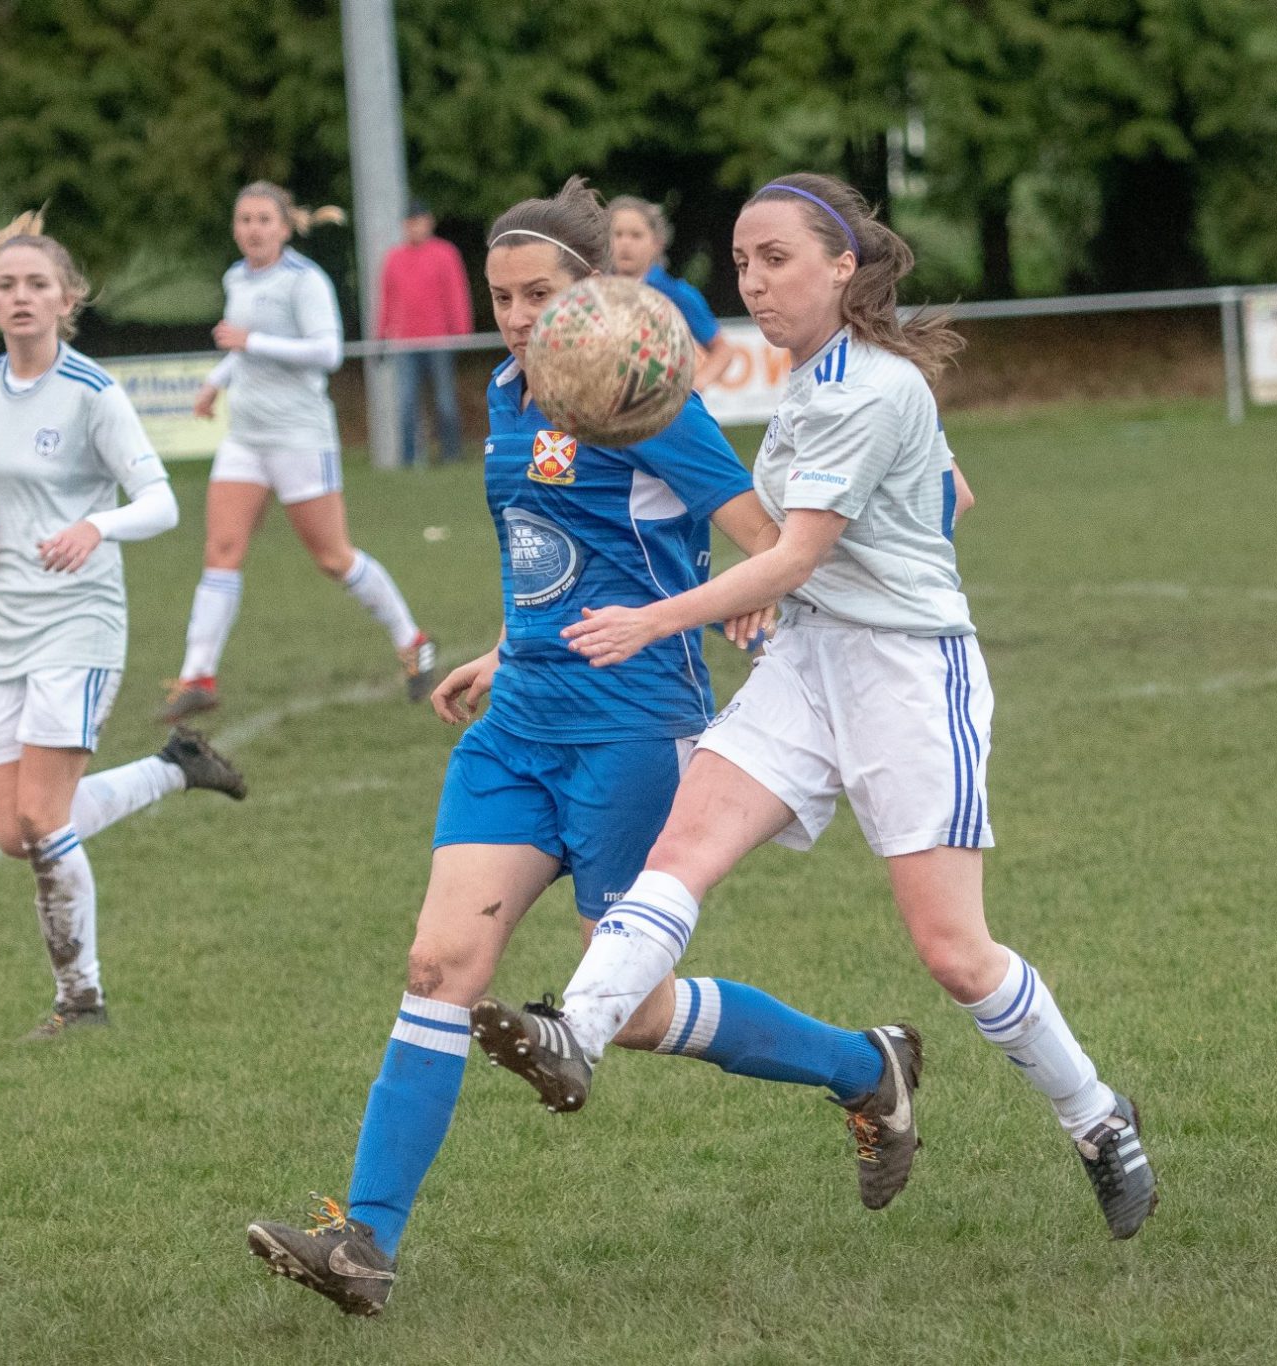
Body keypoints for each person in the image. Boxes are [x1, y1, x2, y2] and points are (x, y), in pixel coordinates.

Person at [244, 178, 922, 1319]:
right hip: (517, 733)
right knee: (437, 971)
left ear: (594, 294)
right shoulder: (513, 392)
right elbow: (556, 552)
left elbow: (763, 544)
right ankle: (363, 1244)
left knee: (631, 1007)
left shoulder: (648, 398)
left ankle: (862, 1066)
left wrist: (735, 613)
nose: (514, 317)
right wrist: (504, 648)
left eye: (537, 295)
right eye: (500, 296)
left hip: (630, 731)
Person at [474, 172, 1159, 1244]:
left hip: (904, 678)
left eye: (776, 258)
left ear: (843, 265)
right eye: (742, 261)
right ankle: (576, 1028)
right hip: (808, 663)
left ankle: (1093, 1115)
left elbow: (790, 550)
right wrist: (844, 551)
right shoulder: (815, 379)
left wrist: (661, 619)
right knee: (681, 851)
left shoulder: (862, 386)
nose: (754, 280)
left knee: (953, 952)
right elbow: (946, 497)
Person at [0, 211, 248, 1040]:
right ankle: (175, 768)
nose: (21, 296)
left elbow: (160, 502)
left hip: (78, 622)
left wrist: (94, 527)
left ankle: (82, 999)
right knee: (16, 833)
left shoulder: (92, 393)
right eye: (7, 284)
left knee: (44, 823)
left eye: (38, 284)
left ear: (68, 298)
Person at [162, 182, 437, 722]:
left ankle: (413, 640)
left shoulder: (305, 281)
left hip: (299, 437)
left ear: (285, 228)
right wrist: (216, 380)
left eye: (264, 219)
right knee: (221, 550)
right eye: (244, 219)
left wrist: (250, 343)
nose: (252, 229)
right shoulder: (236, 278)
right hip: (246, 438)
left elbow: (328, 352)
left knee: (333, 557)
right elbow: (240, 349)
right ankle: (198, 675)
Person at [378, 199, 473, 465]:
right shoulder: (394, 258)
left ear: (428, 222)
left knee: (445, 401)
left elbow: (456, 294)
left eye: (419, 221)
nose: (414, 227)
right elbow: (386, 299)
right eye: (410, 223)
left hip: (439, 339)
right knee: (406, 404)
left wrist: (461, 333)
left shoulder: (445, 253)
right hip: (404, 343)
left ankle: (451, 456)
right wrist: (381, 337)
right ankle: (408, 460)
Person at [608, 195, 729, 389]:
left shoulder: (675, 293)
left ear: (657, 243)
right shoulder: (593, 292)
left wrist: (694, 387)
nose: (625, 243)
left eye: (636, 235)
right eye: (617, 234)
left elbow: (722, 350)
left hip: (662, 411)